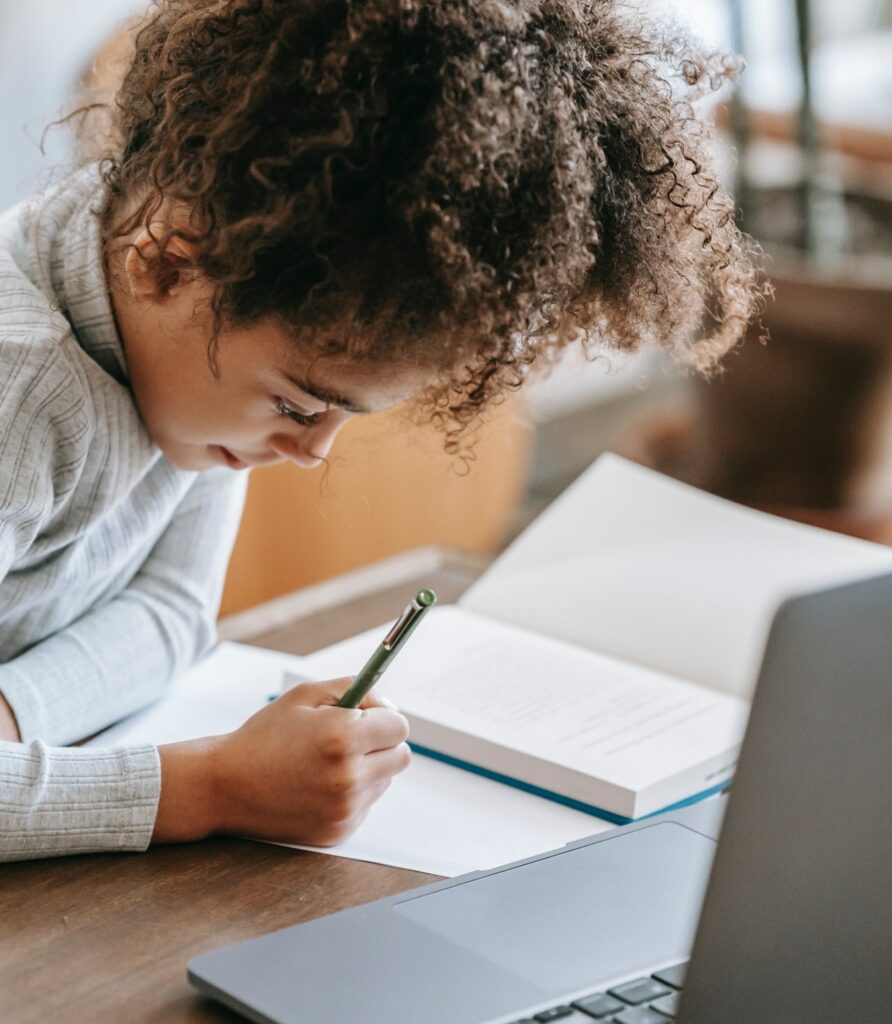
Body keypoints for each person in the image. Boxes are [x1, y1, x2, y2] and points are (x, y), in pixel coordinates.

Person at [0, 0, 764, 861]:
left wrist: (15, 714)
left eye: (341, 416)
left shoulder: (195, 342)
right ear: (169, 261)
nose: (310, 450)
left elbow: (172, 613)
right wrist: (210, 787)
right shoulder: (20, 396)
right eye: (296, 403)